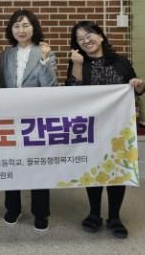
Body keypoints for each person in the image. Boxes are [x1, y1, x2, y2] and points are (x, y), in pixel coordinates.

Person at [66, 20, 144, 239]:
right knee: (94, 170)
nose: (86, 40)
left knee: (117, 171)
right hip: (91, 128)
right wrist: (77, 65)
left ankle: (115, 217)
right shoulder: (78, 62)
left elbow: (135, 88)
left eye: (89, 35)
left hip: (119, 128)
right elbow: (72, 93)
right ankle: (94, 213)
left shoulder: (121, 62)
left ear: (100, 36)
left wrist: (139, 85)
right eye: (80, 39)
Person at [0, 9, 57, 232]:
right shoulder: (6, 54)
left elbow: (50, 87)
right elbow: (1, 86)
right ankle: (13, 208)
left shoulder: (45, 52)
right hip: (11, 118)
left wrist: (44, 61)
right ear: (11, 30)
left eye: (25, 25)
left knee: (38, 164)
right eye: (16, 26)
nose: (21, 30)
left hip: (36, 118)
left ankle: (41, 212)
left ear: (34, 28)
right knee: (11, 163)